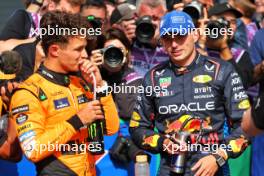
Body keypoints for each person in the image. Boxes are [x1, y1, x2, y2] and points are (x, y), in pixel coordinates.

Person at [129, 10, 250, 176]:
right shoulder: (153, 77)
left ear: (195, 35)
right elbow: (137, 127)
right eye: (167, 38)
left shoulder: (222, 71)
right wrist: (163, 142)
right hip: (170, 170)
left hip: (213, 169)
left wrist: (218, 156)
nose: (174, 44)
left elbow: (245, 126)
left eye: (180, 36)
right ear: (162, 42)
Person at [10, 11, 119, 175]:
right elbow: (33, 149)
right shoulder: (28, 92)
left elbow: (111, 129)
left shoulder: (80, 83)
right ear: (55, 50)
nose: (84, 55)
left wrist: (101, 85)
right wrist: (77, 120)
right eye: (78, 49)